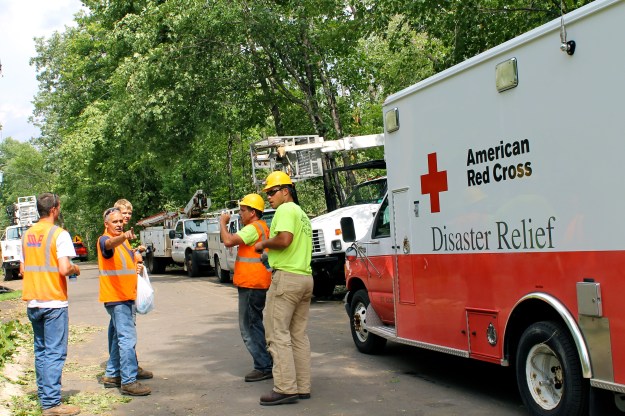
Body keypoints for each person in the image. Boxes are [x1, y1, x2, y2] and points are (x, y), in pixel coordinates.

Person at [253, 171, 313, 406]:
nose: (269, 196)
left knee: (277, 333)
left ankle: (286, 388)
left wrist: (263, 244)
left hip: (287, 280)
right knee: (298, 335)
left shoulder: (286, 210)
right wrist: (271, 253)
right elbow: (292, 244)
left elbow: (285, 239)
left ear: (286, 191)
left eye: (272, 191)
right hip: (304, 278)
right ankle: (302, 386)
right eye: (267, 193)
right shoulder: (302, 214)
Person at [20, 193, 81, 416]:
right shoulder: (59, 234)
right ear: (54, 209)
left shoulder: (26, 235)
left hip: (34, 301)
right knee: (55, 353)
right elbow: (64, 268)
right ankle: (52, 404)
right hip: (54, 301)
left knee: (42, 351)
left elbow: (23, 269)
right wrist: (75, 269)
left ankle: (45, 395)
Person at [97, 207, 151, 396]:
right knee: (127, 339)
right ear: (106, 224)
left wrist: (136, 259)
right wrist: (124, 237)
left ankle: (112, 375)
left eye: (121, 221)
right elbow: (110, 244)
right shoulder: (105, 240)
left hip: (125, 296)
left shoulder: (124, 242)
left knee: (116, 337)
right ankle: (128, 381)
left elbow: (125, 263)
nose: (119, 224)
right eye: (115, 222)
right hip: (117, 298)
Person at [219, 194, 273, 382]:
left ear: (252, 212)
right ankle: (266, 362)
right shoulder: (263, 227)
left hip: (252, 284)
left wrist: (222, 223)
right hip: (258, 282)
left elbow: (228, 241)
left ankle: (263, 366)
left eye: (243, 210)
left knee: (249, 326)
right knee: (255, 323)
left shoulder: (252, 229)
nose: (240, 214)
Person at [113, 199, 152, 381]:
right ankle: (128, 374)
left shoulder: (124, 238)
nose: (126, 216)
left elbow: (126, 259)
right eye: (123, 213)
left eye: (128, 213)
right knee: (125, 334)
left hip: (126, 290)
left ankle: (117, 370)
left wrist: (136, 254)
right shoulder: (114, 238)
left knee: (118, 333)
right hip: (120, 293)